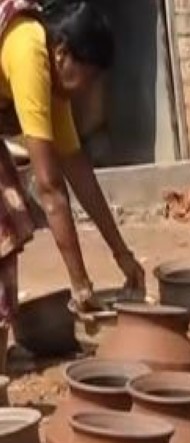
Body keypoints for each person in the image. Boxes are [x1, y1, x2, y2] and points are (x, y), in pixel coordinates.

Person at [0, 0, 143, 341]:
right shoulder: (29, 52)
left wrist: (123, 255)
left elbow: (78, 171)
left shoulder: (53, 78)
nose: (88, 90)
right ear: (62, 53)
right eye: (89, 77)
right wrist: (80, 285)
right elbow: (50, 189)